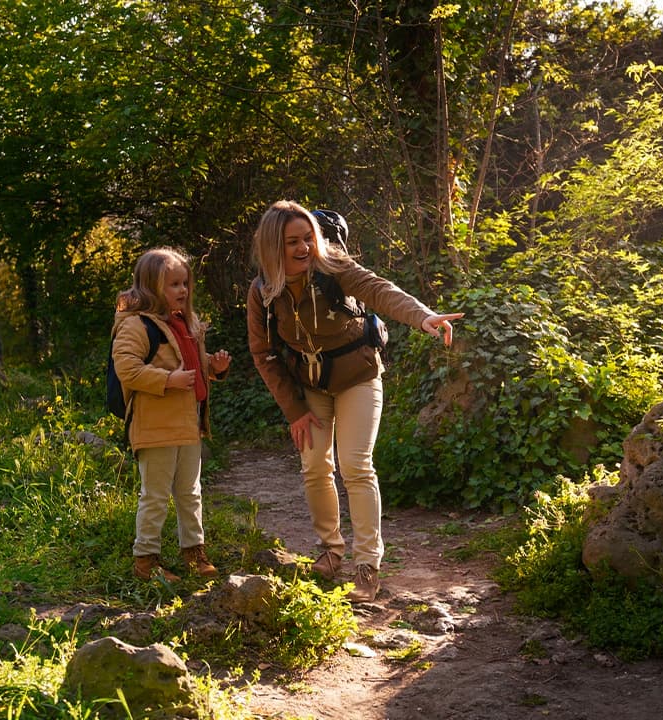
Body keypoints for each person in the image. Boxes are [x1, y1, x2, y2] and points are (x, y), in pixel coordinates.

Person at [245, 200, 462, 602]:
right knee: (315, 465)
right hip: (309, 385)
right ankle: (331, 551)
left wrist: (423, 317)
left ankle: (367, 566)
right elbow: (263, 355)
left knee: (356, 465)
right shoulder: (262, 292)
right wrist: (294, 411)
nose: (304, 248)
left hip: (358, 376)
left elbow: (379, 290)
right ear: (273, 247)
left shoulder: (334, 267)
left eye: (308, 237)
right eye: (292, 242)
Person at [113, 247, 233, 581]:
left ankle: (194, 552)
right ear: (152, 287)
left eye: (185, 283)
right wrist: (168, 380)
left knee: (190, 493)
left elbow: (188, 365)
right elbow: (127, 369)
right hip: (154, 426)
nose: (183, 290)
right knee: (154, 496)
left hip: (188, 424)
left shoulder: (184, 323)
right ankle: (145, 561)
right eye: (174, 285)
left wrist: (213, 367)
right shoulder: (136, 325)